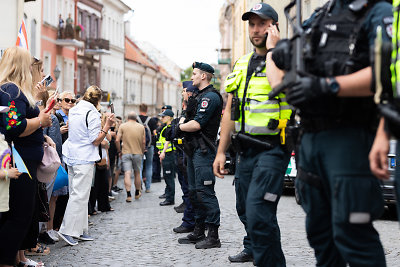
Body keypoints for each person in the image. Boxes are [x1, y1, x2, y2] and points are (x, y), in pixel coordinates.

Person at [277, 0, 392, 266]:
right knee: (320, 235)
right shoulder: (322, 14)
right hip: (310, 137)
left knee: (353, 233)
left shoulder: (378, 11)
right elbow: (295, 52)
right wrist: (284, 51)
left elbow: (386, 72)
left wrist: (326, 85)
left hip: (348, 137)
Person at [213, 3, 292, 265]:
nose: (256, 29)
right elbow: (229, 111)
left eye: (262, 24)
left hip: (273, 149)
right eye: (252, 24)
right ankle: (260, 252)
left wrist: (272, 50)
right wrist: (221, 151)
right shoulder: (242, 63)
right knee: (247, 210)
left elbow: (278, 83)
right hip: (246, 151)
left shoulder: (285, 56)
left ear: (274, 26)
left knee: (260, 211)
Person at [0, 46, 52, 267]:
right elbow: (14, 126)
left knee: (19, 214)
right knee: (19, 216)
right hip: (19, 161)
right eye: (30, 64)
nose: (33, 69)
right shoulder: (12, 90)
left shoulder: (12, 90)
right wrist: (41, 121)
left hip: (23, 159)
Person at [58, 85, 114, 246]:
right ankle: (67, 230)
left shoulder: (75, 109)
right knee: (79, 195)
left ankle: (81, 230)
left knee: (78, 194)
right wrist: (107, 126)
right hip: (83, 157)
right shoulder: (92, 113)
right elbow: (95, 139)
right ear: (98, 100)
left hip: (72, 154)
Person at [176, 62, 223, 249]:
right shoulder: (199, 96)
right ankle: (198, 230)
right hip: (194, 149)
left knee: (205, 192)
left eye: (195, 74)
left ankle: (213, 236)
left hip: (204, 151)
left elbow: (196, 124)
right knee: (195, 191)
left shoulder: (210, 97)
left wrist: (177, 128)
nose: (192, 76)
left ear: (204, 76)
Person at [172, 81, 197, 233]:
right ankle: (193, 221)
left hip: (189, 151)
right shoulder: (187, 109)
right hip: (183, 151)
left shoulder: (192, 109)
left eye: (184, 91)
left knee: (193, 190)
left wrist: (178, 127)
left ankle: (191, 221)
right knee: (189, 189)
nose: (182, 93)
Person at [115, 111, 145, 202]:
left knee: (127, 173)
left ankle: (128, 195)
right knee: (137, 172)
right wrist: (142, 151)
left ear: (128, 118)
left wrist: (119, 150)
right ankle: (137, 192)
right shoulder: (141, 127)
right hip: (137, 152)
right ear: (136, 118)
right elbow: (143, 142)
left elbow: (117, 140)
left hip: (126, 152)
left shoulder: (123, 126)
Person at [157, 109, 176, 206]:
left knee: (169, 177)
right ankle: (168, 196)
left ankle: (170, 198)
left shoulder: (170, 127)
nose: (162, 118)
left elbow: (168, 141)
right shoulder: (166, 127)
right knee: (167, 176)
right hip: (166, 154)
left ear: (169, 117)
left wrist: (163, 152)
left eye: (163, 116)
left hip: (169, 154)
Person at [137, 103, 158, 193]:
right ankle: (148, 187)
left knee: (139, 166)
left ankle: (139, 186)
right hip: (150, 146)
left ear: (139, 109)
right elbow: (155, 133)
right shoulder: (152, 121)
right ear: (147, 110)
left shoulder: (136, 120)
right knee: (149, 166)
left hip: (138, 146)